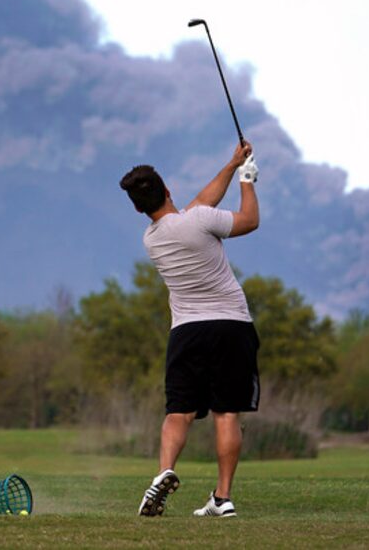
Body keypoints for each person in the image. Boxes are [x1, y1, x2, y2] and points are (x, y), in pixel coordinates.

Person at [120, 142, 260, 519]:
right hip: (232, 325)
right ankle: (223, 497)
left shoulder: (152, 239)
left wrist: (231, 164)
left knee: (178, 412)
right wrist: (247, 178)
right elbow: (249, 220)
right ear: (168, 191)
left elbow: (199, 204)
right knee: (227, 413)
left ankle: (165, 471)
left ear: (137, 208)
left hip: (187, 332)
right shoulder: (199, 220)